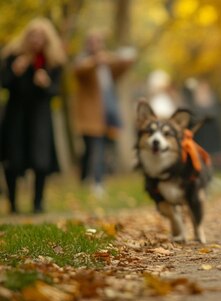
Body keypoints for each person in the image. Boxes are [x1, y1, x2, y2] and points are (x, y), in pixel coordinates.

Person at [0, 18, 66, 214]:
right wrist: (14, 71)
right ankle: (13, 204)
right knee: (13, 159)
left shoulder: (53, 62)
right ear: (27, 37)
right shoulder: (13, 56)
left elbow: (56, 91)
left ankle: (38, 203)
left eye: (41, 37)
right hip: (16, 115)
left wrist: (46, 84)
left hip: (40, 117)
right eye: (33, 36)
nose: (36, 41)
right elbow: (4, 83)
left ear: (47, 40)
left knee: (40, 160)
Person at [73, 30, 134, 196]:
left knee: (101, 148)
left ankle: (91, 179)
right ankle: (96, 182)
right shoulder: (83, 60)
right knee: (93, 148)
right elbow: (80, 70)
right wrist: (96, 61)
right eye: (92, 41)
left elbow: (123, 65)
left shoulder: (107, 64)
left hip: (109, 113)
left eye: (98, 41)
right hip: (90, 115)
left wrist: (124, 56)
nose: (95, 45)